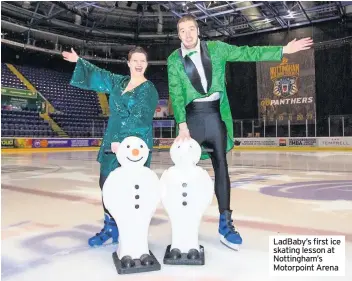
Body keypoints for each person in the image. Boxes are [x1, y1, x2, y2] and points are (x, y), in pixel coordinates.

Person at [167, 15, 313, 250]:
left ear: (198, 31)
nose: (188, 34)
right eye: (182, 31)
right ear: (178, 35)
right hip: (191, 119)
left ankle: (225, 223)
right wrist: (182, 125)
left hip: (215, 116)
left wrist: (283, 50)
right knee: (184, 173)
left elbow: (247, 53)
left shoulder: (217, 49)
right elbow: (175, 91)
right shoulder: (173, 59)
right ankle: (185, 223)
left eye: (191, 29)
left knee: (222, 167)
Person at [62, 47, 159, 247]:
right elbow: (100, 75)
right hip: (111, 139)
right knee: (106, 183)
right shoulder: (119, 81)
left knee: (130, 187)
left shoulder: (149, 89)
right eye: (135, 60)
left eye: (143, 61)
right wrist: (79, 61)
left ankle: (129, 228)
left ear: (146, 65)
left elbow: (140, 118)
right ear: (129, 63)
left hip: (134, 144)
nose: (139, 64)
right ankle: (110, 227)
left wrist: (123, 143)